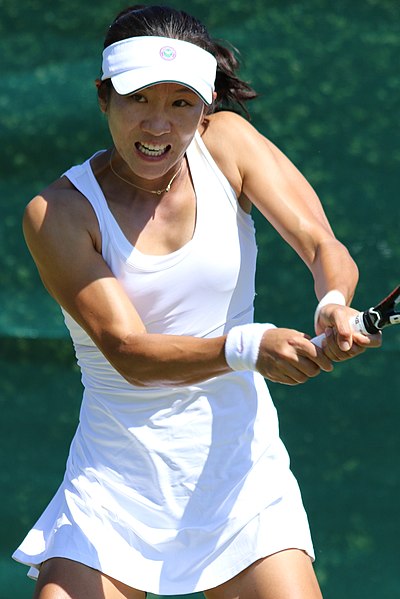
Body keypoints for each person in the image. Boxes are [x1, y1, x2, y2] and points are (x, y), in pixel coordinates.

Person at [13, 5, 381, 599]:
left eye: (181, 103)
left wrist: (332, 303)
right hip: (115, 488)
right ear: (104, 98)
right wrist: (248, 347)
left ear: (206, 106)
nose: (158, 125)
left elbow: (320, 243)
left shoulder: (229, 144)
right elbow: (128, 352)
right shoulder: (57, 213)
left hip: (241, 476)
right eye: (139, 99)